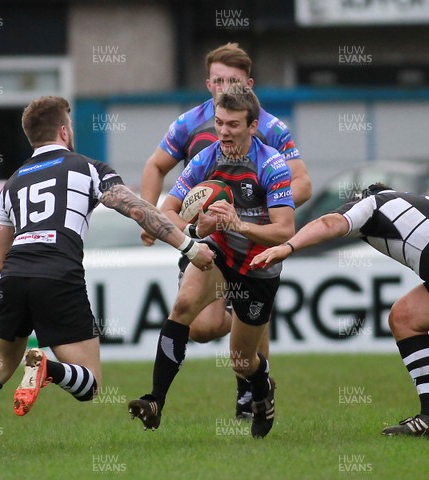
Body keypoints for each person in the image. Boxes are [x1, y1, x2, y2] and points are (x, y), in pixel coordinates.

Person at [0, 96, 214, 454]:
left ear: (31, 138)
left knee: (1, 362)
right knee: (90, 386)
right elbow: (135, 208)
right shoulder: (87, 168)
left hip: (15, 276)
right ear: (64, 131)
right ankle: (48, 371)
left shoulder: (11, 184)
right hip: (58, 274)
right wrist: (190, 248)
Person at [251, 183, 429, 438]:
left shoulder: (372, 203)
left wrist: (288, 247)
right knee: (405, 317)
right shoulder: (425, 201)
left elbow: (329, 223)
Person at [140, 42, 311, 418]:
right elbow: (158, 172)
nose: (223, 88)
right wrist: (168, 225)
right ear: (208, 83)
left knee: (240, 355)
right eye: (217, 80)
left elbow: (302, 188)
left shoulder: (271, 133)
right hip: (213, 241)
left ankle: (251, 389)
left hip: (257, 252)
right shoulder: (192, 128)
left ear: (248, 85)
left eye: (231, 81)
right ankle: (154, 400)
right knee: (198, 324)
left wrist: (250, 217)